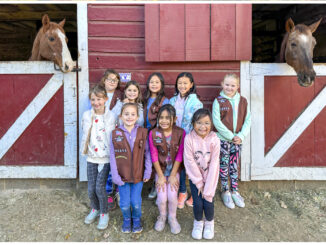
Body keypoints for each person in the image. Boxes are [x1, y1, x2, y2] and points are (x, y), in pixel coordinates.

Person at [109, 103, 152, 233]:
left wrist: (148, 171)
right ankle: (127, 219)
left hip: (138, 175)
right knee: (124, 203)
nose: (129, 117)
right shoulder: (115, 133)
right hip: (122, 176)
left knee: (136, 202)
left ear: (137, 117)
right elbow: (112, 155)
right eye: (126, 114)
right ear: (121, 116)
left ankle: (136, 219)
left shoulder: (143, 132)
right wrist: (115, 176)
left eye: (133, 114)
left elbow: (148, 153)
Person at [212, 73, 251, 209]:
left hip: (237, 140)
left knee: (234, 165)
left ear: (238, 86)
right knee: (224, 165)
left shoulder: (243, 101)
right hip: (223, 140)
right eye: (227, 85)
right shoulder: (218, 101)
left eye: (233, 85)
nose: (229, 87)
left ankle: (235, 190)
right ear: (222, 84)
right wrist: (230, 135)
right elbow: (216, 121)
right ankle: (225, 190)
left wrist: (241, 135)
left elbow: (248, 120)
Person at [81, 84, 116, 230]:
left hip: (106, 157)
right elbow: (86, 134)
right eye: (93, 99)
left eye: (99, 99)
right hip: (91, 156)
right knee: (90, 188)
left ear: (106, 99)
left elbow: (113, 136)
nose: (96, 103)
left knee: (99, 187)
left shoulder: (111, 116)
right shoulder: (87, 115)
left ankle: (104, 213)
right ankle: (94, 208)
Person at [87, 69, 123, 211]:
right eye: (109, 79)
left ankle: (119, 191)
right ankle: (108, 192)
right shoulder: (97, 94)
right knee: (104, 165)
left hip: (115, 133)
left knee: (118, 163)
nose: (112, 82)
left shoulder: (120, 96)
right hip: (100, 136)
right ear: (104, 80)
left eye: (115, 80)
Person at [184, 108, 220, 240]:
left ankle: (209, 222)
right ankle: (198, 222)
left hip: (211, 178)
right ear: (193, 123)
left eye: (206, 123)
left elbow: (215, 164)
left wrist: (208, 186)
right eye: (199, 122)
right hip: (196, 178)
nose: (202, 126)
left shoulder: (215, 140)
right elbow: (189, 161)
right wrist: (199, 183)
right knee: (198, 203)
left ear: (211, 124)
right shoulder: (189, 139)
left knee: (208, 202)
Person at [148, 104, 185, 234]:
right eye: (161, 117)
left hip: (174, 171)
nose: (163, 120)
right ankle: (162, 216)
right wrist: (161, 176)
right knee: (162, 197)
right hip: (161, 171)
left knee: (172, 196)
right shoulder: (153, 133)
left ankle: (172, 217)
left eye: (167, 118)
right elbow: (153, 155)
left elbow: (180, 154)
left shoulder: (180, 133)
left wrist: (174, 174)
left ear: (174, 119)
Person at [169, 72, 203, 209]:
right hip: (175, 139)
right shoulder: (172, 101)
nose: (182, 86)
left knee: (192, 167)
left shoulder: (196, 102)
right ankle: (182, 191)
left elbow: (198, 123)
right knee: (180, 167)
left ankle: (196, 194)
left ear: (191, 85)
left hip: (190, 139)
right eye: (180, 83)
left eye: (185, 83)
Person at [143, 72, 169, 200]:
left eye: (157, 82)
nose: (154, 84)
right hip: (143, 133)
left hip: (156, 134)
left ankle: (156, 184)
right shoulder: (144, 98)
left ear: (161, 84)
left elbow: (165, 119)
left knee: (157, 160)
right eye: (152, 82)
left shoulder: (164, 101)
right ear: (148, 84)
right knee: (145, 159)